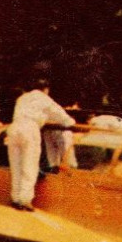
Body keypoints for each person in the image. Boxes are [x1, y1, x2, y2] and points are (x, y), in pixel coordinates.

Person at [7, 81, 75, 210]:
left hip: (15, 128)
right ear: (45, 89)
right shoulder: (42, 97)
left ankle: (15, 198)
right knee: (29, 164)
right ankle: (25, 199)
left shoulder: (22, 98)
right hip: (30, 129)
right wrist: (70, 121)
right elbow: (59, 113)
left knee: (16, 164)